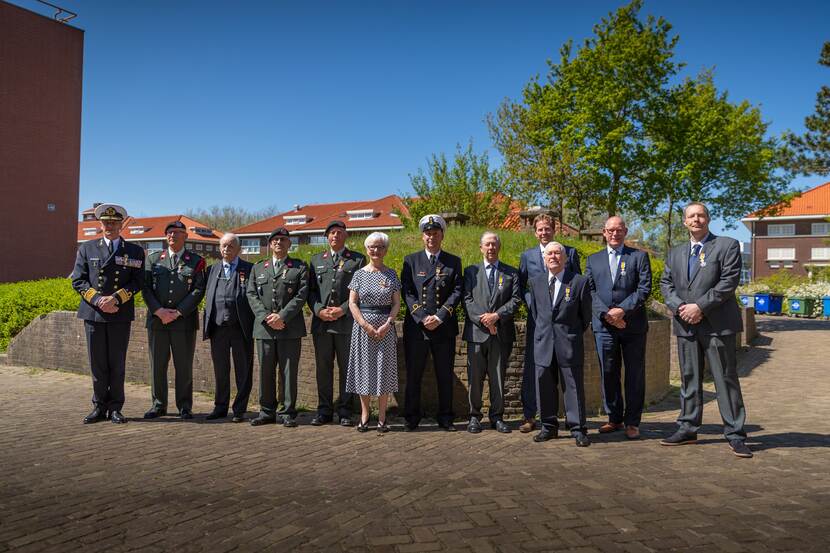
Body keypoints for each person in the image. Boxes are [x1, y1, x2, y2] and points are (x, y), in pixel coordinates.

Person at [659, 202, 752, 458]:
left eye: (701, 215)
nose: (696, 219)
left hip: (717, 325)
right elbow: (666, 285)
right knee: (689, 378)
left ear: (708, 219)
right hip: (685, 325)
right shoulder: (675, 252)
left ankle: (735, 434)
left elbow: (728, 282)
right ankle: (687, 428)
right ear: (684, 222)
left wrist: (699, 306)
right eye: (691, 216)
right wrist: (681, 308)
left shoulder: (727, 245)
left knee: (725, 379)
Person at [71, 203, 145, 424]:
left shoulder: (134, 251)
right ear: (100, 224)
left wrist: (116, 299)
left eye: (114, 223)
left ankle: (115, 408)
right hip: (93, 314)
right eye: (106, 223)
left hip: (119, 314)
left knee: (117, 363)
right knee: (97, 364)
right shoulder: (87, 248)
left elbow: (138, 281)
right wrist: (98, 299)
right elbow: (78, 280)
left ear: (121, 224)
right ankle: (98, 406)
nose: (110, 226)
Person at [585, 216, 652, 440]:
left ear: (625, 231)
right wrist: (607, 315)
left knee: (634, 374)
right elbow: (589, 292)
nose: (614, 234)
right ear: (604, 232)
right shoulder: (593, 260)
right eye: (610, 230)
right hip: (604, 327)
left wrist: (622, 311)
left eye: (619, 230)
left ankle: (632, 422)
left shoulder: (639, 257)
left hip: (633, 326)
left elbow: (643, 289)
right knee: (608, 372)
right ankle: (614, 418)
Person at [518, 213, 581, 433]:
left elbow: (578, 285)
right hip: (538, 321)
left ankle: (571, 420)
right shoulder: (527, 256)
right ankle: (530, 415)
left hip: (564, 323)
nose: (544, 233)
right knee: (535, 368)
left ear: (554, 230)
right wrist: (534, 305)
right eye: (540, 229)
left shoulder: (570, 253)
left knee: (568, 371)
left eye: (547, 228)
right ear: (535, 232)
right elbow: (521, 286)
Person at [401, 214, 463, 431]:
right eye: (427, 233)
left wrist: (440, 316)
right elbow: (407, 292)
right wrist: (421, 317)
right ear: (422, 236)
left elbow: (457, 291)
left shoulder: (453, 261)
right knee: (414, 375)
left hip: (443, 328)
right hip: (417, 329)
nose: (431, 237)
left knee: (444, 375)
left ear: (442, 235)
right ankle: (411, 417)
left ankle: (446, 417)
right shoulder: (411, 260)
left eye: (435, 233)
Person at [527, 242, 592, 447]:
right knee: (544, 386)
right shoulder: (535, 282)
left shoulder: (579, 282)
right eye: (549, 254)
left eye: (557, 253)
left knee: (573, 387)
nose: (553, 256)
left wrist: (569, 334)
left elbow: (585, 316)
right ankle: (548, 427)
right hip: (544, 344)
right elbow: (537, 314)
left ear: (565, 258)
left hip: (569, 344)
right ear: (544, 259)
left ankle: (577, 428)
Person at [142, 220, 207, 420]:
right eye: (169, 233)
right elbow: (145, 288)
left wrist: (178, 312)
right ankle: (158, 405)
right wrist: (159, 311)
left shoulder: (196, 261)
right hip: (157, 321)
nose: (173, 236)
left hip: (184, 322)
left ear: (185, 236)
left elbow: (198, 290)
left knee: (184, 365)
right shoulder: (153, 259)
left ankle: (184, 406)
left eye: (178, 233)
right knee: (157, 365)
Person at [247, 227, 308, 428]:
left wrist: (282, 316)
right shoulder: (258, 268)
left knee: (288, 373)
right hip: (264, 329)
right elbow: (251, 294)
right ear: (270, 244)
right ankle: (266, 411)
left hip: (289, 328)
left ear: (289, 244)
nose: (279, 243)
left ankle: (288, 412)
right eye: (275, 240)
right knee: (265, 371)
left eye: (283, 240)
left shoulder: (299, 267)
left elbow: (302, 295)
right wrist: (266, 317)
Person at [462, 231, 522, 434]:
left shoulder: (511, 273)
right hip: (477, 334)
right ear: (481, 247)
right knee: (475, 378)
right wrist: (484, 320)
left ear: (499, 247)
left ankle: (497, 417)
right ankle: (474, 417)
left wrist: (496, 316)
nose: (490, 248)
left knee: (498, 378)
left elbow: (515, 300)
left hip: (500, 333)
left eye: (494, 244)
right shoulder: (470, 272)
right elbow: (467, 300)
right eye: (487, 244)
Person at [308, 220, 365, 427]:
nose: (335, 236)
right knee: (323, 369)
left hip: (346, 325)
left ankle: (345, 411)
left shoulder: (357, 260)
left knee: (346, 369)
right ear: (326, 237)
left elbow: (359, 292)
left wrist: (342, 309)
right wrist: (318, 310)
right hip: (322, 324)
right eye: (331, 233)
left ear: (346, 236)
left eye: (339, 232)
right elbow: (311, 291)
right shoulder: (315, 260)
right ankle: (324, 411)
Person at [346, 232, 401, 433]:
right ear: (366, 249)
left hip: (385, 329)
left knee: (384, 371)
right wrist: (365, 325)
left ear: (385, 250)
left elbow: (396, 303)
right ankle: (365, 415)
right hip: (363, 330)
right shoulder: (359, 274)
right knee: (364, 371)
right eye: (372, 247)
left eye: (379, 247)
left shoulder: (392, 274)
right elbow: (352, 302)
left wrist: (388, 323)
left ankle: (383, 417)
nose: (375, 250)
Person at [202, 233, 254, 423]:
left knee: (243, 370)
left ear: (238, 249)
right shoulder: (212, 269)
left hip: (241, 328)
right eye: (223, 246)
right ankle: (220, 406)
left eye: (231, 246)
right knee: (220, 369)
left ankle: (240, 409)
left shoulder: (249, 269)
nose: (226, 249)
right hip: (218, 328)